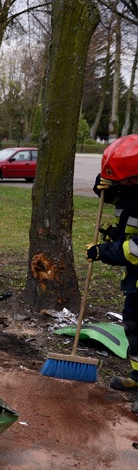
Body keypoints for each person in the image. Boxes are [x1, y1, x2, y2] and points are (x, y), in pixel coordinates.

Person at [86, 134, 138, 391]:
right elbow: (113, 196)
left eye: (125, 179)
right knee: (134, 321)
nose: (122, 184)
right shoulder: (130, 187)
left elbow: (136, 249)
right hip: (135, 277)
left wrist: (103, 252)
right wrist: (103, 184)